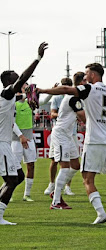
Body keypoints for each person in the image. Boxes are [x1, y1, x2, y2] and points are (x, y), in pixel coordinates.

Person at [37, 63, 106, 224]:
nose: (85, 77)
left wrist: (43, 90)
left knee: (87, 179)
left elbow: (67, 90)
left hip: (94, 141)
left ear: (93, 75)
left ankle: (101, 213)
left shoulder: (90, 89)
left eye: (87, 73)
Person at [0, 42, 47, 225]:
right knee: (12, 180)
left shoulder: (10, 98)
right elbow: (22, 81)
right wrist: (38, 58)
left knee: (18, 177)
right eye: (17, 79)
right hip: (2, 144)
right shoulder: (6, 93)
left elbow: (23, 96)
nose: (21, 80)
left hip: (5, 144)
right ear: (10, 82)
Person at [37, 83, 85, 209]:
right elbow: (82, 116)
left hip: (68, 135)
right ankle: (56, 201)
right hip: (61, 134)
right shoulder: (73, 98)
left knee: (76, 165)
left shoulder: (75, 98)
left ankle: (56, 191)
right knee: (64, 167)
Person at [11, 82, 53, 202]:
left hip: (29, 138)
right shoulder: (13, 103)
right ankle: (9, 192)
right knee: (14, 167)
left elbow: (44, 102)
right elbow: (12, 123)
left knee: (31, 165)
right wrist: (20, 136)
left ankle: (27, 194)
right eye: (25, 85)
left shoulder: (30, 102)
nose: (28, 87)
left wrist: (52, 91)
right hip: (16, 139)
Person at [44, 78, 76, 196]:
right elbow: (52, 114)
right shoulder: (57, 98)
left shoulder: (74, 96)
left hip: (71, 132)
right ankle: (52, 184)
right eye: (64, 86)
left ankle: (67, 186)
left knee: (73, 163)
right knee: (54, 160)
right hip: (59, 132)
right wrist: (62, 114)